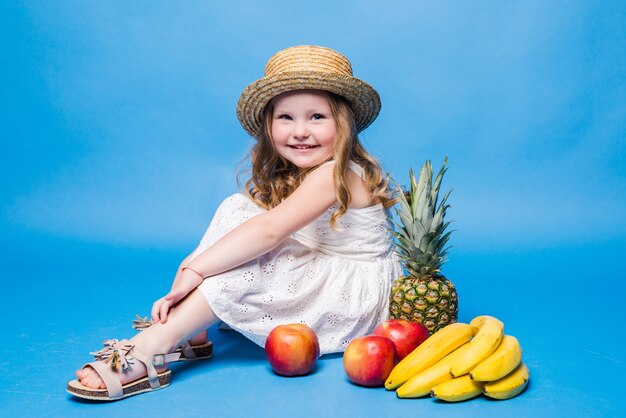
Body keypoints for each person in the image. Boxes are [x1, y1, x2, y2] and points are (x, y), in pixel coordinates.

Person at [67, 45, 402, 401]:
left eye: (317, 117)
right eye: (285, 118)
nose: (299, 131)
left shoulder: (337, 173)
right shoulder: (311, 169)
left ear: (344, 124)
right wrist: (200, 266)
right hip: (324, 262)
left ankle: (154, 345)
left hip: (354, 290)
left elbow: (270, 232)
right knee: (237, 209)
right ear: (268, 125)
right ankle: (190, 329)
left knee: (261, 255)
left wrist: (195, 268)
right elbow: (260, 225)